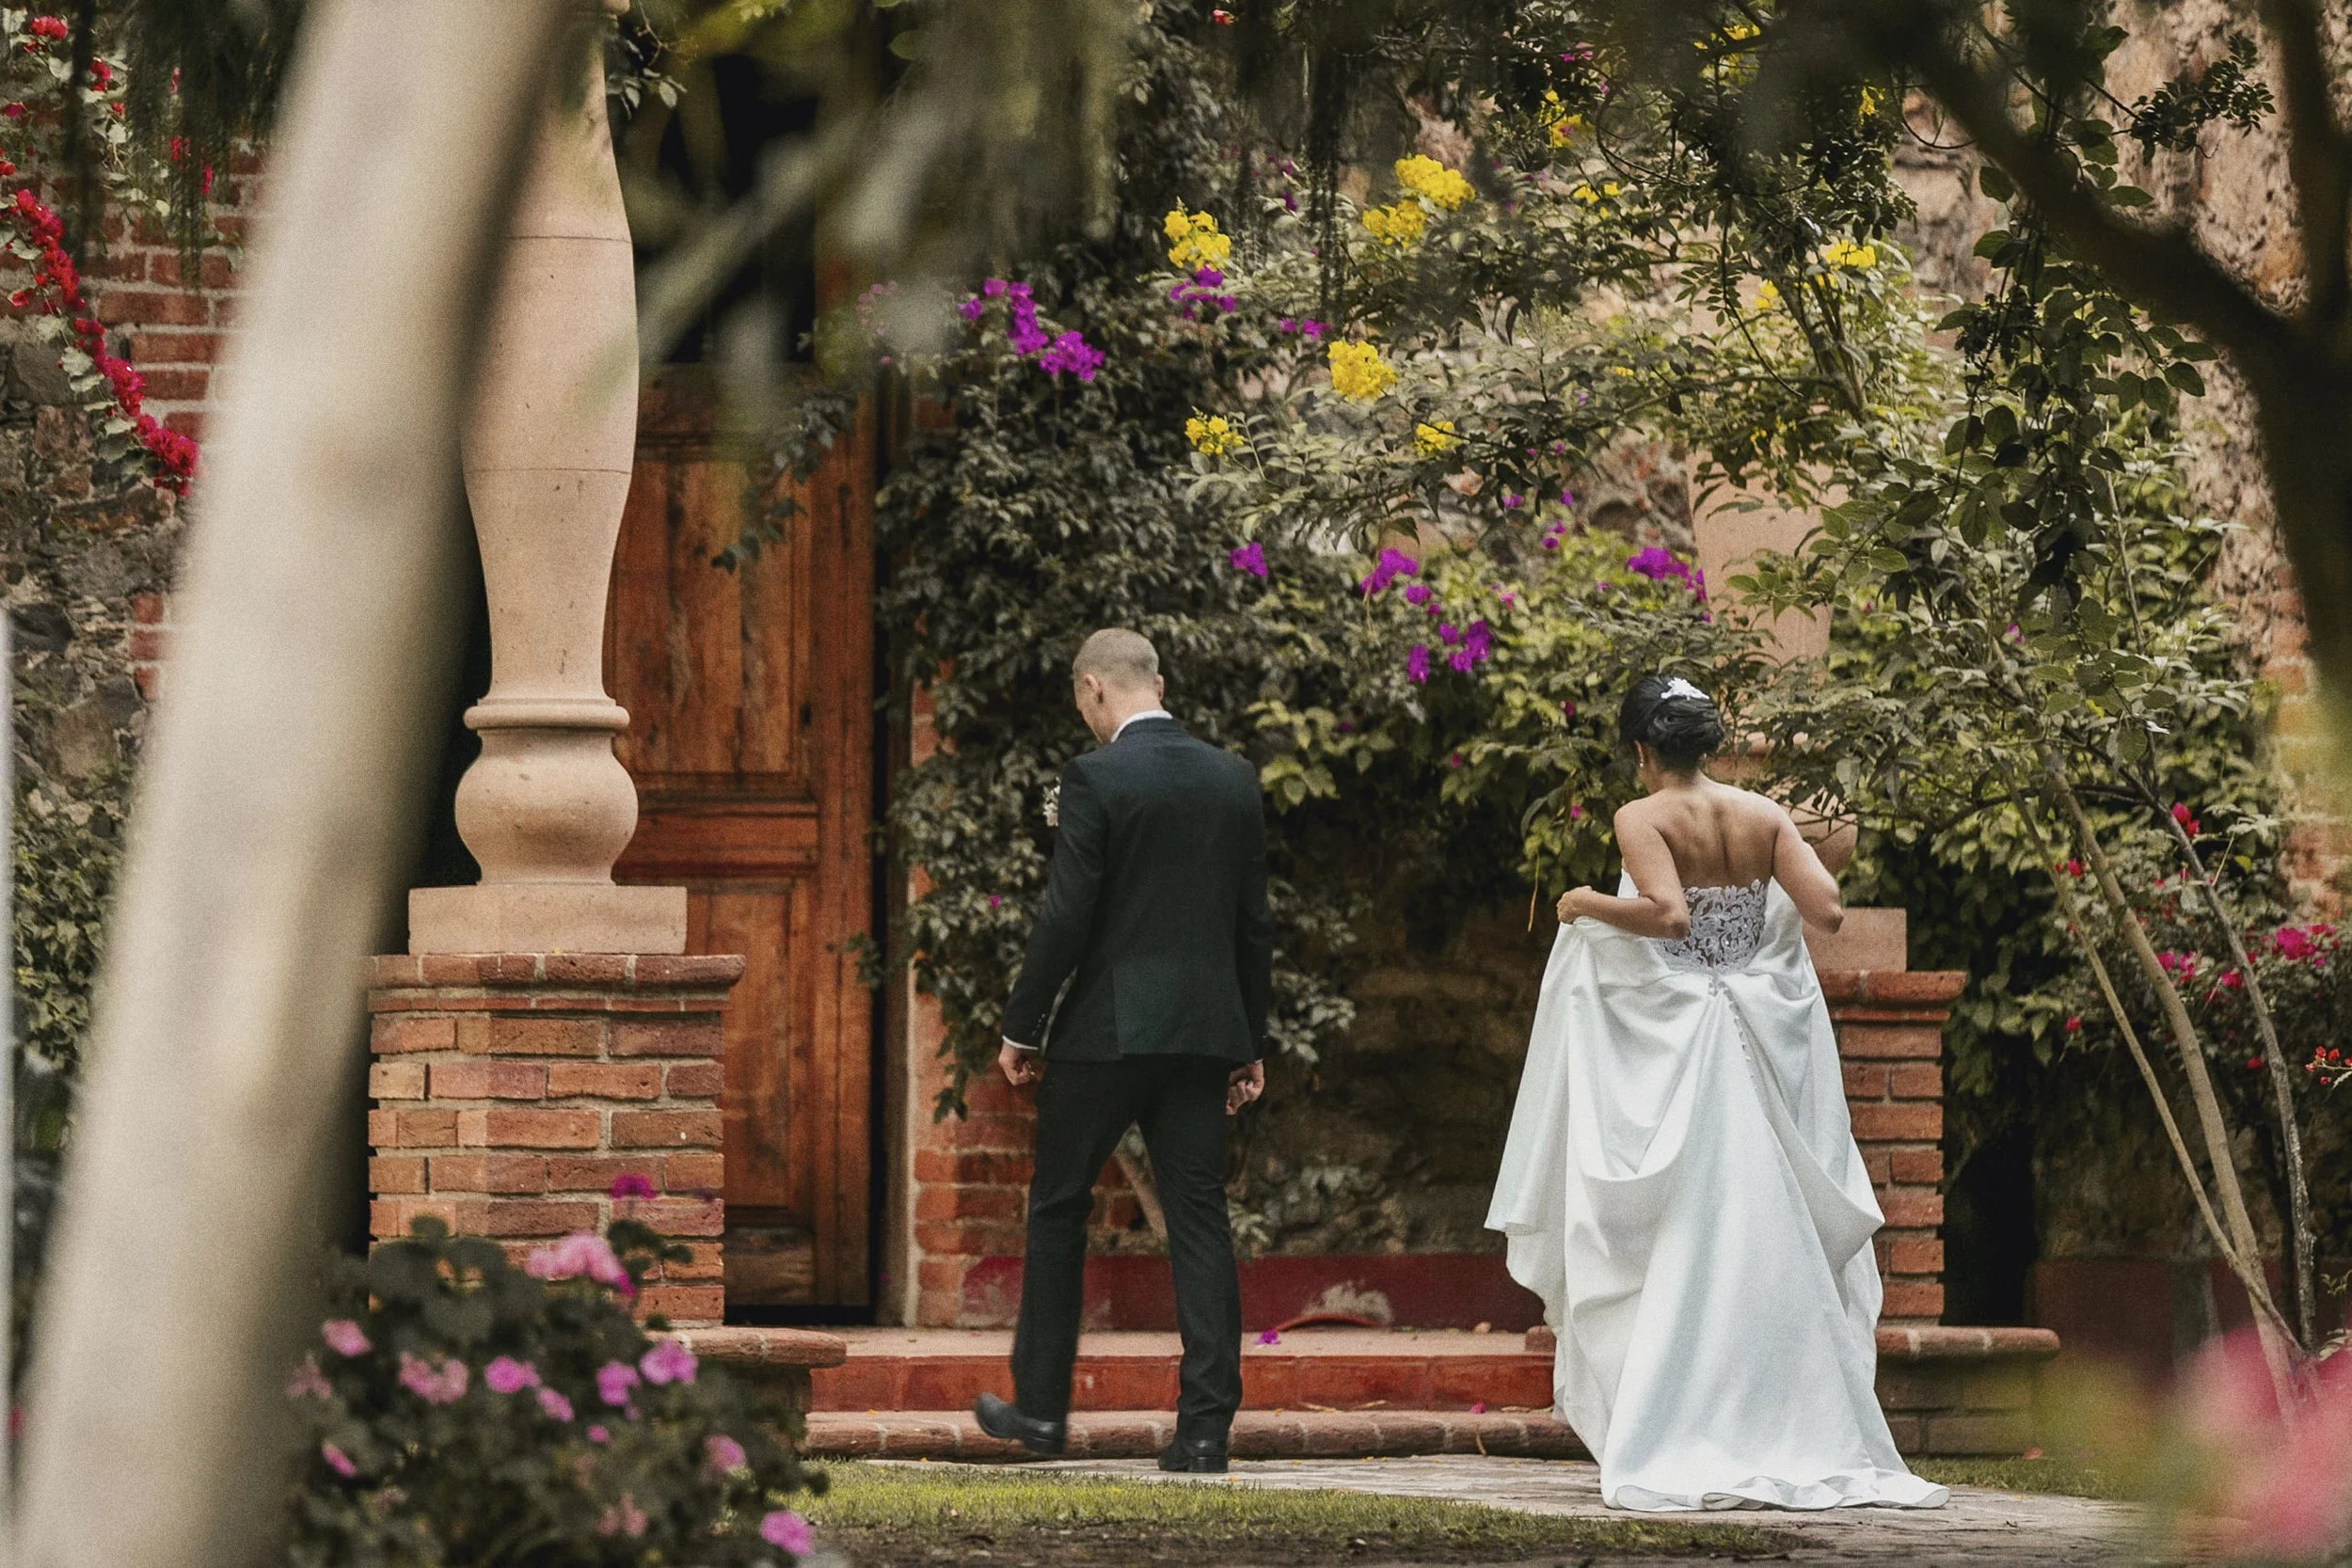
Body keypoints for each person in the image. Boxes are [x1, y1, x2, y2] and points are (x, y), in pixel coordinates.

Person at [1486, 673, 1947, 1512]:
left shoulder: (1641, 816)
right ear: (1710, 745)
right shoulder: (1765, 814)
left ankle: (1682, 1412)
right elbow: (1831, 911)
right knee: (1765, 1223)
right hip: (1754, 1030)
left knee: (1687, 1228)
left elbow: (1666, 917)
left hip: (1684, 1039)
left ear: (1641, 750)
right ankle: (1793, 1417)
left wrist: (1583, 901)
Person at [973, 628, 1271, 1475]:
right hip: (1204, 1035)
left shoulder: (1096, 776)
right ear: (1160, 682)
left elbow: (1067, 915)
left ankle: (1038, 1416)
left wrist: (1024, 1025)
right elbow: (1254, 923)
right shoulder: (1232, 778)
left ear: (1095, 689)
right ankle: (1206, 1428)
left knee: (1059, 1204)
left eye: (1081, 701)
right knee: (1201, 1217)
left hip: (1106, 1032)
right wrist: (1248, 1041)